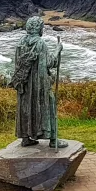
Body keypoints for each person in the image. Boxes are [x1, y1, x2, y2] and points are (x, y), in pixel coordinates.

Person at [11, 17, 66, 149]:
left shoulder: (21, 42)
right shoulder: (40, 44)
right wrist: (58, 49)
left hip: (24, 84)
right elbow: (50, 63)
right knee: (49, 104)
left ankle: (25, 137)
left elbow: (17, 63)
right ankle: (53, 139)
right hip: (39, 85)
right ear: (39, 29)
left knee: (26, 108)